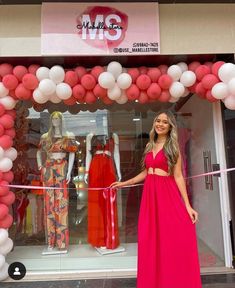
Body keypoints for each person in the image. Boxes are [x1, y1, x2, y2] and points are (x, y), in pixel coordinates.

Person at [110, 110, 202, 288]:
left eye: (165, 122)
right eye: (158, 121)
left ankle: (177, 280)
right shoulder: (149, 146)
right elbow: (145, 172)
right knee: (150, 238)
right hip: (150, 197)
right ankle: (155, 281)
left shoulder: (172, 147)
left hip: (167, 195)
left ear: (170, 127)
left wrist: (187, 206)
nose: (160, 124)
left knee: (172, 237)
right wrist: (124, 183)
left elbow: (178, 177)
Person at [37, 111, 78, 253]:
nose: (55, 121)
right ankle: (51, 241)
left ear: (61, 120)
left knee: (61, 205)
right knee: (49, 205)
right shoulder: (45, 137)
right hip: (49, 168)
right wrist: (40, 166)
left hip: (61, 168)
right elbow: (38, 152)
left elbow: (72, 153)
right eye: (53, 119)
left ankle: (61, 243)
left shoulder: (68, 136)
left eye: (57, 118)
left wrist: (68, 172)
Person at [84, 131, 121, 250]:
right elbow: (88, 155)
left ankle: (110, 238)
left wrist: (118, 171)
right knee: (97, 203)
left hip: (109, 168)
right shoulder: (90, 136)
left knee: (110, 202)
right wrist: (86, 172)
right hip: (96, 168)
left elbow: (116, 154)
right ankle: (99, 239)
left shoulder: (113, 135)